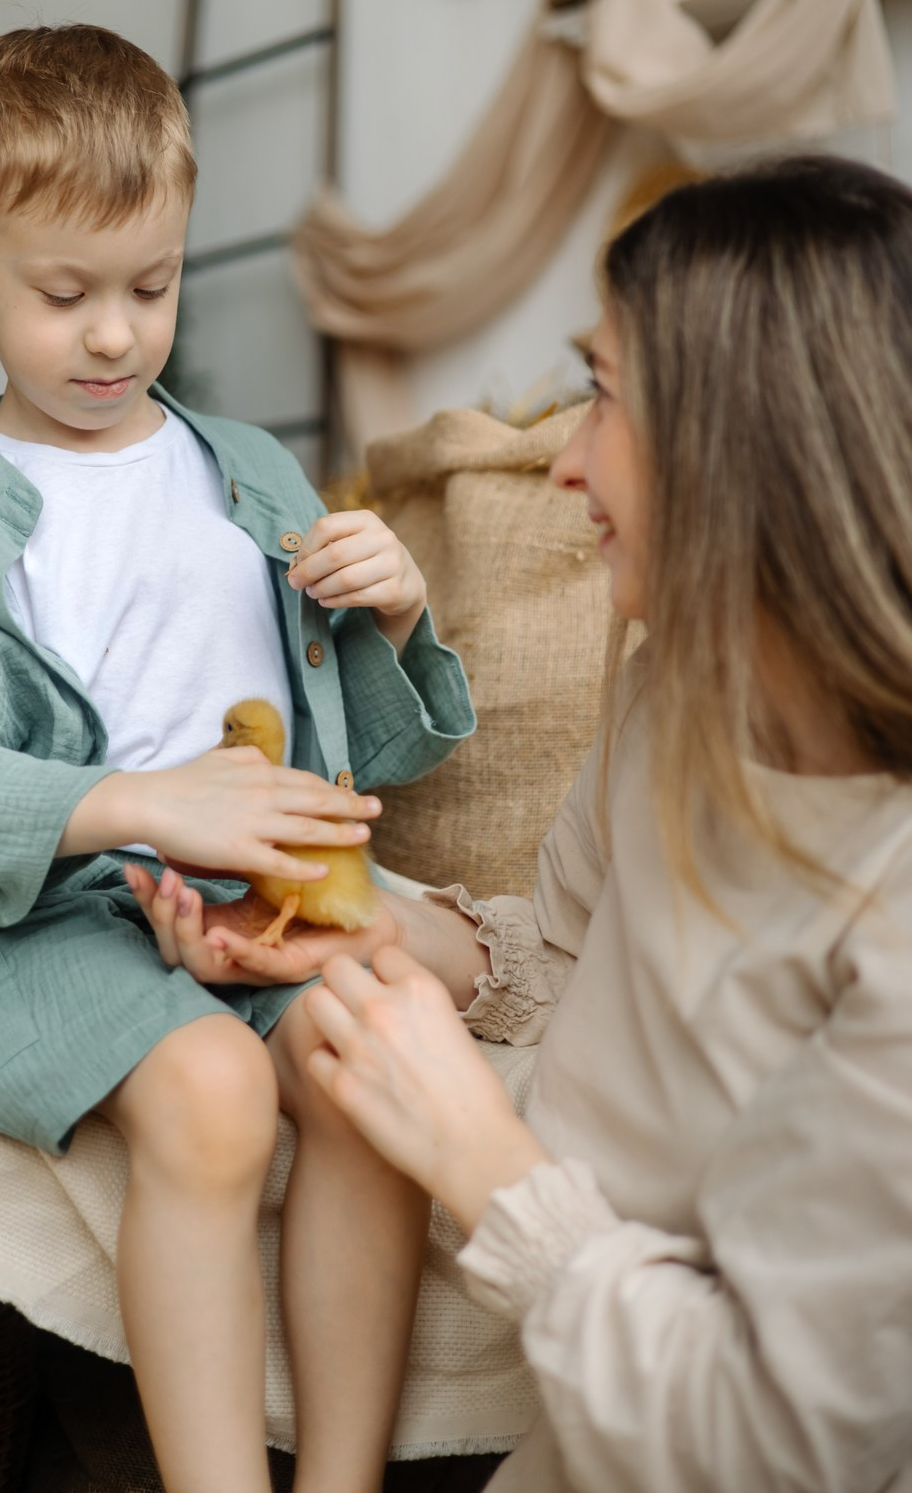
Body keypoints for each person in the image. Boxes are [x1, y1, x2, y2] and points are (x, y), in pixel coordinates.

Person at [0, 23, 476, 1493]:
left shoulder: (249, 472)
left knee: (371, 1054)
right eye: (63, 295)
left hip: (255, 908)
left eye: (152, 285)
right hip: (43, 926)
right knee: (214, 1093)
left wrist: (399, 603)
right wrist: (129, 807)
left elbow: (366, 752)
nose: (112, 334)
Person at [286, 156, 912, 1492]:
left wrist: (479, 1160)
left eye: (601, 397)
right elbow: (570, 957)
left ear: (755, 443)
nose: (562, 461)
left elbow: (780, 1442)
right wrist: (364, 917)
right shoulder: (668, 684)